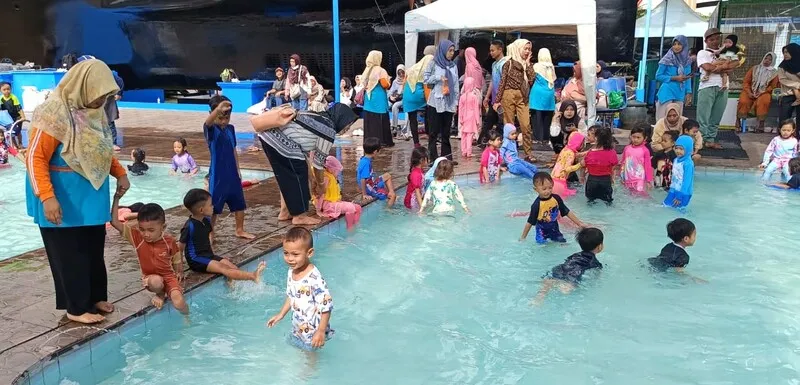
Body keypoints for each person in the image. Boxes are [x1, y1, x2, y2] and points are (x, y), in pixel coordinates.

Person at [26, 58, 130, 324]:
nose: (100, 101)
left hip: (90, 196)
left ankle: (94, 297)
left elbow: (102, 149)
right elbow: (35, 158)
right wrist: (47, 197)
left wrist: (120, 172)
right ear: (83, 86)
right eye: (97, 95)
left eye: (105, 96)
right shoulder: (53, 113)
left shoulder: (93, 113)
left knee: (93, 248)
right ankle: (76, 307)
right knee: (69, 252)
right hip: (62, 195)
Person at [257, 103, 358, 226]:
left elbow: (305, 155)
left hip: (268, 137)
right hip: (280, 140)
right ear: (341, 118)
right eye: (348, 124)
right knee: (298, 177)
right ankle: (299, 216)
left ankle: (285, 212)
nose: (347, 128)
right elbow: (318, 163)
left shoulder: (318, 118)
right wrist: (320, 184)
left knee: (287, 177)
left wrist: (313, 178)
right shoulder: (328, 129)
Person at [109, 197, 188, 314]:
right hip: (150, 278)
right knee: (156, 282)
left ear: (163, 227)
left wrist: (179, 271)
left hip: (168, 277)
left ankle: (187, 319)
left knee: (179, 301)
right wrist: (116, 198)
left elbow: (176, 257)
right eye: (142, 229)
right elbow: (114, 222)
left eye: (151, 230)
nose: (146, 234)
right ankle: (160, 294)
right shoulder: (137, 238)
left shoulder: (169, 241)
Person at [267, 227, 334, 351]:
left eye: (295, 254)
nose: (290, 258)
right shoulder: (291, 271)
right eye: (286, 253)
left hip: (314, 329)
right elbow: (291, 295)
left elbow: (327, 305)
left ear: (309, 253)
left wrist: (320, 331)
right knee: (299, 350)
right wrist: (281, 314)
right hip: (299, 326)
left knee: (310, 357)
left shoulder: (314, 278)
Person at [179, 188, 266, 282]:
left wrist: (214, 256)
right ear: (201, 210)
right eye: (210, 204)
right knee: (223, 268)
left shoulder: (206, 220)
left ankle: (232, 288)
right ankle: (253, 276)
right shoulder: (189, 227)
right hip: (196, 260)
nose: (213, 206)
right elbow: (179, 249)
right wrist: (179, 270)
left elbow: (205, 240)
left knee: (231, 266)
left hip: (208, 255)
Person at [203, 95, 255, 239]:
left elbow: (233, 150)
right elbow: (207, 123)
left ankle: (239, 229)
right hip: (218, 174)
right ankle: (210, 232)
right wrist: (218, 109)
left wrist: (238, 170)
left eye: (227, 117)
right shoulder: (211, 130)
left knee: (239, 202)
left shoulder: (230, 129)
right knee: (213, 206)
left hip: (232, 173)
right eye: (221, 117)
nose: (224, 121)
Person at [533, 227, 604, 305]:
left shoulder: (575, 255)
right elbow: (596, 275)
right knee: (567, 287)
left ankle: (541, 295)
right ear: (599, 246)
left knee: (549, 281)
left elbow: (568, 261)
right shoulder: (594, 262)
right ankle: (565, 287)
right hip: (574, 274)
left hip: (560, 268)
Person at [696, 28, 738, 149]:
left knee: (716, 116)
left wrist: (718, 68)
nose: (714, 41)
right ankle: (700, 140)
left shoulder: (726, 52)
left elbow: (733, 66)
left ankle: (710, 139)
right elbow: (707, 67)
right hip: (707, 86)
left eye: (717, 39)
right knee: (703, 116)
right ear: (706, 41)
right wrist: (723, 67)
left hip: (723, 87)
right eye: (711, 39)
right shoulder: (703, 53)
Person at [495, 39, 535, 160]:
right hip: (508, 94)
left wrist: (528, 64)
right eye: (525, 48)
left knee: (526, 125)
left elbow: (532, 79)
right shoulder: (509, 63)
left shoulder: (527, 64)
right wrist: (497, 100)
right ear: (519, 48)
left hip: (522, 95)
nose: (527, 51)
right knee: (509, 126)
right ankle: (509, 153)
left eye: (529, 49)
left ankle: (528, 153)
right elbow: (502, 82)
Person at [519, 172, 586, 243]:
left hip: (554, 228)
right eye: (544, 189)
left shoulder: (556, 198)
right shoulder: (536, 205)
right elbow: (530, 222)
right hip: (541, 231)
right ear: (536, 189)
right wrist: (523, 237)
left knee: (562, 242)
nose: (547, 191)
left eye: (550, 188)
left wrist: (579, 223)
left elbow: (567, 212)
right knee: (542, 247)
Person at [424, 39, 460, 163]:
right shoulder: (433, 64)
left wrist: (455, 102)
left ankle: (447, 158)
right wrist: (438, 78)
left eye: (453, 51)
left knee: (446, 132)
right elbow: (426, 79)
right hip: (435, 102)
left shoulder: (453, 66)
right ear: (443, 50)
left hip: (448, 102)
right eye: (449, 51)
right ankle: (433, 159)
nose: (451, 54)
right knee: (433, 132)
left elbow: (455, 86)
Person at [310, 156, 362, 229]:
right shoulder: (326, 178)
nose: (338, 173)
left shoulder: (330, 175)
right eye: (337, 171)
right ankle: (351, 231)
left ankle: (355, 226)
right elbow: (321, 194)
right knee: (350, 208)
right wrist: (318, 211)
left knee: (358, 207)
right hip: (327, 205)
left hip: (332, 203)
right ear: (331, 169)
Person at [648, 218, 706, 283]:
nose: (695, 238)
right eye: (694, 235)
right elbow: (679, 272)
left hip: (652, 264)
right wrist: (693, 278)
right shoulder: (683, 256)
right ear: (686, 239)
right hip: (660, 273)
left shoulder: (668, 246)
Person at [736, 52, 779, 132]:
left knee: (764, 101)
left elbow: (773, 86)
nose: (767, 61)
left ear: (773, 61)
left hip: (764, 92)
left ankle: (760, 124)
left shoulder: (775, 73)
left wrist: (762, 92)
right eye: (766, 58)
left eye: (770, 60)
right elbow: (746, 82)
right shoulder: (755, 68)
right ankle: (738, 121)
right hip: (750, 90)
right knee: (743, 100)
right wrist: (749, 92)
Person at [403, 45, 436, 147]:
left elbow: (405, 82)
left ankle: (416, 143)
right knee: (429, 112)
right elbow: (427, 85)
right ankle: (430, 136)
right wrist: (429, 100)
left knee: (412, 119)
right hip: (418, 93)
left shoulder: (415, 66)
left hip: (408, 94)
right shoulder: (429, 64)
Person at [360, 50, 394, 147]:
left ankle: (369, 143)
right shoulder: (380, 70)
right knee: (380, 121)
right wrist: (389, 82)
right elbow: (385, 85)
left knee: (370, 122)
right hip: (379, 99)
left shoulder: (366, 70)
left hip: (369, 100)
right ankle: (382, 142)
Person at [655, 35, 693, 120]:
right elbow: (658, 76)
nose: (676, 47)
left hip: (680, 92)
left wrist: (689, 92)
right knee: (662, 120)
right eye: (674, 44)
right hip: (666, 92)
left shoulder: (687, 61)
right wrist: (674, 78)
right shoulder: (667, 59)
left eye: (679, 44)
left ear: (684, 45)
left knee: (676, 120)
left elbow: (688, 77)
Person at [480, 40, 509, 146]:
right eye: (490, 50)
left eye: (493, 50)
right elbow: (493, 81)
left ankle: (501, 143)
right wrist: (487, 96)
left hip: (502, 99)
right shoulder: (494, 64)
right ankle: (483, 141)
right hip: (494, 99)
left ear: (500, 49)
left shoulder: (505, 63)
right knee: (489, 121)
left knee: (502, 122)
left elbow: (504, 82)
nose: (491, 53)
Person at [581, 127, 618, 205]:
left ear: (596, 138)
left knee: (590, 200)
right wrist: (612, 178)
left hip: (592, 180)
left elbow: (583, 165)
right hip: (606, 180)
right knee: (608, 201)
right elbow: (614, 167)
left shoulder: (590, 153)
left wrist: (582, 177)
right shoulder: (612, 152)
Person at [357, 137, 397, 206]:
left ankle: (390, 192)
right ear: (375, 152)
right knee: (393, 196)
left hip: (370, 183)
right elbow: (363, 179)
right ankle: (388, 211)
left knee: (387, 175)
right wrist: (364, 194)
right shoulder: (366, 163)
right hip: (369, 188)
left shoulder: (364, 159)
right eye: (379, 151)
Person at [530, 48, 557, 143]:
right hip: (549, 93)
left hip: (537, 94)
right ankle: (546, 138)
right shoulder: (551, 67)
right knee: (547, 117)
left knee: (537, 117)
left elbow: (530, 78)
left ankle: (538, 138)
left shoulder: (536, 66)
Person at [664, 135, 695, 209]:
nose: (678, 151)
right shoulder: (676, 160)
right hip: (674, 189)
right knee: (665, 206)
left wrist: (680, 195)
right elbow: (674, 177)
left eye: (681, 149)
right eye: (676, 148)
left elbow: (687, 181)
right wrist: (671, 189)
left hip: (684, 193)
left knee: (679, 210)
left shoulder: (688, 164)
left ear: (688, 149)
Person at [620, 125, 654, 195]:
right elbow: (623, 162)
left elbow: (648, 166)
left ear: (645, 138)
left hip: (639, 178)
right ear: (630, 136)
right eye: (633, 137)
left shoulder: (645, 150)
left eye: (638, 137)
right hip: (628, 177)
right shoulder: (627, 148)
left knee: (640, 195)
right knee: (629, 195)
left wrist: (648, 181)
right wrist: (621, 175)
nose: (635, 139)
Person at [551, 131, 584, 197]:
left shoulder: (565, 149)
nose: (583, 145)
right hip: (560, 183)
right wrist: (580, 165)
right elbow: (567, 169)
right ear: (578, 143)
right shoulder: (571, 154)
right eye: (582, 143)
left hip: (552, 179)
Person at [777, 43, 800, 127]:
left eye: (787, 52)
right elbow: (782, 80)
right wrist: (797, 85)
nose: (785, 54)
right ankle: (783, 138)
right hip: (788, 95)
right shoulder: (782, 66)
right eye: (784, 52)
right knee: (784, 120)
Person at [458, 77, 481, 158]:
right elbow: (476, 109)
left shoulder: (462, 96)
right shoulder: (474, 96)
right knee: (470, 135)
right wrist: (478, 120)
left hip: (464, 117)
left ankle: (463, 151)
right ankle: (469, 152)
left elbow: (460, 109)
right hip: (471, 117)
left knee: (464, 134)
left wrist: (460, 118)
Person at [1, 82, 26, 149]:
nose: (7, 91)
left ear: (11, 89)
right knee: (11, 132)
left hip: (17, 117)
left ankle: (20, 144)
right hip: (9, 119)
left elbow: (19, 108)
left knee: (18, 131)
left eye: (8, 89)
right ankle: (15, 145)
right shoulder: (1, 99)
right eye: (4, 89)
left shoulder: (13, 97)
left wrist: (23, 117)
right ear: (1, 90)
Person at [388, 64, 407, 138]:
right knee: (390, 105)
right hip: (397, 99)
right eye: (399, 73)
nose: (401, 74)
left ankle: (406, 129)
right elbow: (390, 92)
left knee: (396, 105)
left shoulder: (406, 80)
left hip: (404, 99)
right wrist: (391, 96)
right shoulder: (395, 82)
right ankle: (394, 127)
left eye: (402, 72)